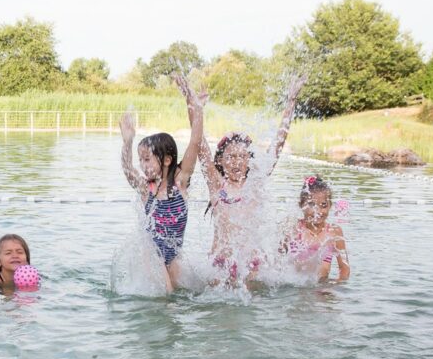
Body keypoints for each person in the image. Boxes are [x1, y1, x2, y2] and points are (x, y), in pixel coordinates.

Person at [196, 75, 307, 283]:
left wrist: (291, 101)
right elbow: (200, 148)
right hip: (221, 261)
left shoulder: (255, 183)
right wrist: (196, 109)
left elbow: (278, 144)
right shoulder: (216, 183)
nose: (236, 162)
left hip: (252, 263)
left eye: (241, 156)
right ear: (220, 159)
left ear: (248, 159)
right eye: (230, 157)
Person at [119, 72, 207, 291]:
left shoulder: (180, 183)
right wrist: (127, 142)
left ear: (167, 160)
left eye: (147, 159)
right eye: (141, 159)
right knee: (167, 295)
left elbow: (195, 143)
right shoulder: (146, 188)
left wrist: (198, 110)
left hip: (174, 255)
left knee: (183, 292)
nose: (142, 165)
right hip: (151, 256)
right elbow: (127, 170)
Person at [280, 175, 350, 282]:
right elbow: (276, 259)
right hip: (295, 289)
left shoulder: (334, 232)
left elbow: (344, 267)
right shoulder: (293, 228)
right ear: (301, 205)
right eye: (311, 205)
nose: (318, 211)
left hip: (322, 288)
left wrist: (337, 284)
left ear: (330, 206)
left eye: (323, 205)